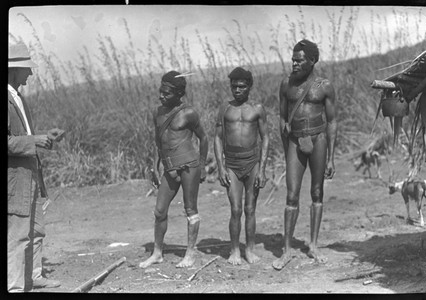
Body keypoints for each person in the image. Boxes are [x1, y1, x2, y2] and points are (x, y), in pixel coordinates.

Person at [272, 39, 338, 270]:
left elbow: (331, 121)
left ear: (312, 61)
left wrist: (331, 157)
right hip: (294, 142)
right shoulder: (285, 85)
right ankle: (287, 250)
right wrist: (285, 143)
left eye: (299, 60)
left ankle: (314, 245)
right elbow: (281, 117)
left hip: (318, 140)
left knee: (317, 192)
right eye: (292, 59)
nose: (294, 64)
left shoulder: (324, 86)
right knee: (291, 195)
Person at [8, 41, 64, 292]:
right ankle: (15, 287)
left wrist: (43, 137)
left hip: (30, 173)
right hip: (15, 178)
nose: (30, 73)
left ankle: (33, 276)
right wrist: (34, 140)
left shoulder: (18, 98)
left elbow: (22, 136)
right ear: (13, 70)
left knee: (36, 229)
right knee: (19, 233)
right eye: (26, 69)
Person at [139, 71, 208, 269]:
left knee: (190, 209)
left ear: (179, 94)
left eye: (167, 94)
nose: (161, 96)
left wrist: (202, 165)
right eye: (160, 92)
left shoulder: (188, 113)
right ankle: (157, 253)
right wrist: (155, 164)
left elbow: (203, 138)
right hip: (168, 167)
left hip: (188, 165)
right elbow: (158, 141)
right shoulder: (157, 113)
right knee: (159, 211)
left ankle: (190, 254)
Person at [214, 67, 269, 265]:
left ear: (249, 87)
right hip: (232, 165)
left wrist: (262, 169)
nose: (237, 90)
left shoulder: (257, 109)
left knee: (250, 208)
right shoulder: (225, 109)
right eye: (234, 86)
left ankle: (250, 250)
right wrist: (220, 167)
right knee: (235, 209)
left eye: (241, 86)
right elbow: (218, 138)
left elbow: (265, 138)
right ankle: (235, 250)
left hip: (252, 163)